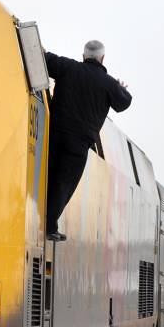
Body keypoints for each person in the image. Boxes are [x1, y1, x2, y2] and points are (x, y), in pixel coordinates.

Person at [44, 41, 132, 241]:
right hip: (79, 145)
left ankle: (41, 218)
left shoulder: (68, 67)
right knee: (64, 185)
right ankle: (49, 226)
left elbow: (45, 58)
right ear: (102, 58)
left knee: (48, 177)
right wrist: (120, 87)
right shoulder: (108, 83)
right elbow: (124, 102)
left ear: (84, 56)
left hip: (55, 135)